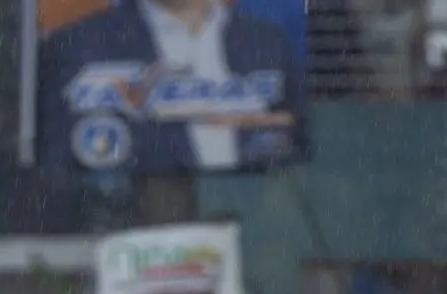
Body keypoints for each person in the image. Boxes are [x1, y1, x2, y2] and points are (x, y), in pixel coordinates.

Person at [35, 0, 307, 177]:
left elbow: (301, 159)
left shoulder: (268, 43)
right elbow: (59, 176)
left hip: (258, 243)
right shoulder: (77, 48)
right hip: (132, 239)